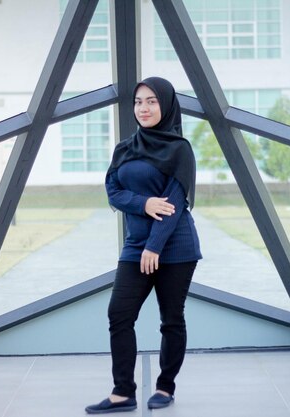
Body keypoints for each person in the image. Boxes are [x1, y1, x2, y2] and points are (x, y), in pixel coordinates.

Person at [85, 77, 202, 414]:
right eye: (138, 102)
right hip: (136, 245)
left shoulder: (180, 149)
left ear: (165, 105)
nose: (144, 108)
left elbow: (175, 203)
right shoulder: (125, 148)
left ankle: (165, 387)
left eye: (151, 101)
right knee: (118, 315)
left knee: (171, 319)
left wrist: (154, 246)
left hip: (175, 247)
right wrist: (144, 203)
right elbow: (113, 191)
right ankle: (123, 392)